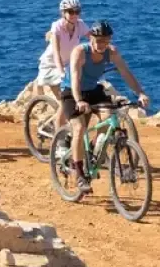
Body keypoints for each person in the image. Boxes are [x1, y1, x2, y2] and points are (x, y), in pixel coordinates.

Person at [62, 20, 151, 194]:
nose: (102, 44)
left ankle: (96, 152)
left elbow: (126, 73)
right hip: (72, 93)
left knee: (109, 119)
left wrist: (140, 93)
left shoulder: (112, 52)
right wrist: (79, 100)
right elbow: (74, 78)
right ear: (91, 38)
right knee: (79, 128)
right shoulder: (80, 52)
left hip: (93, 90)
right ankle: (79, 173)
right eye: (99, 40)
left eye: (106, 40)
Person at [39, 0, 91, 141]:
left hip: (68, 67)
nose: (74, 14)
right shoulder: (57, 27)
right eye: (70, 11)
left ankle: (59, 126)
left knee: (74, 98)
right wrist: (61, 71)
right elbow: (56, 52)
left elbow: (93, 38)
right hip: (51, 67)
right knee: (65, 100)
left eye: (77, 11)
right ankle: (59, 143)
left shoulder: (80, 25)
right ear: (63, 13)